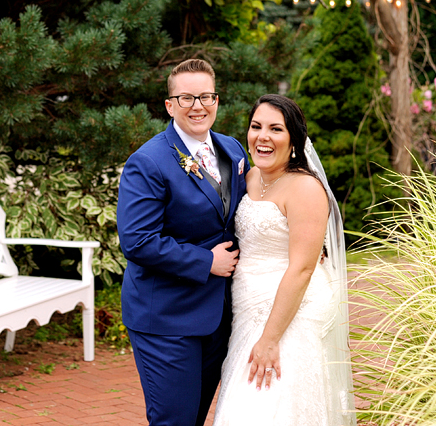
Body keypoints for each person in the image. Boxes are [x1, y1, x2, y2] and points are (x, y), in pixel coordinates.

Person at [117, 59, 250, 426]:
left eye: (206, 96)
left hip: (219, 314)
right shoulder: (147, 162)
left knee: (194, 417)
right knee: (174, 420)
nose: (198, 106)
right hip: (166, 316)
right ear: (170, 105)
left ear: (217, 101)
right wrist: (204, 262)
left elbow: (252, 211)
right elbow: (137, 240)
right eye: (187, 97)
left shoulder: (233, 150)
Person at [213, 94, 356, 426]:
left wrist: (270, 338)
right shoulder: (248, 178)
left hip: (291, 310)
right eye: (256, 126)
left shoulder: (305, 189)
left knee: (270, 404)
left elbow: (304, 266)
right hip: (248, 307)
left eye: (275, 129)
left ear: (293, 140)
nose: (263, 136)